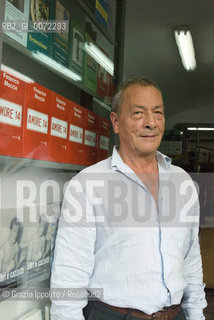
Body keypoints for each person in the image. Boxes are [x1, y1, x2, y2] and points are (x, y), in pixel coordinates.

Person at [50, 76, 207, 320]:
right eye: (138, 113)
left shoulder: (182, 181)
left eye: (158, 113)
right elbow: (68, 277)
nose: (150, 123)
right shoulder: (88, 184)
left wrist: (196, 315)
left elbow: (190, 261)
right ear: (115, 121)